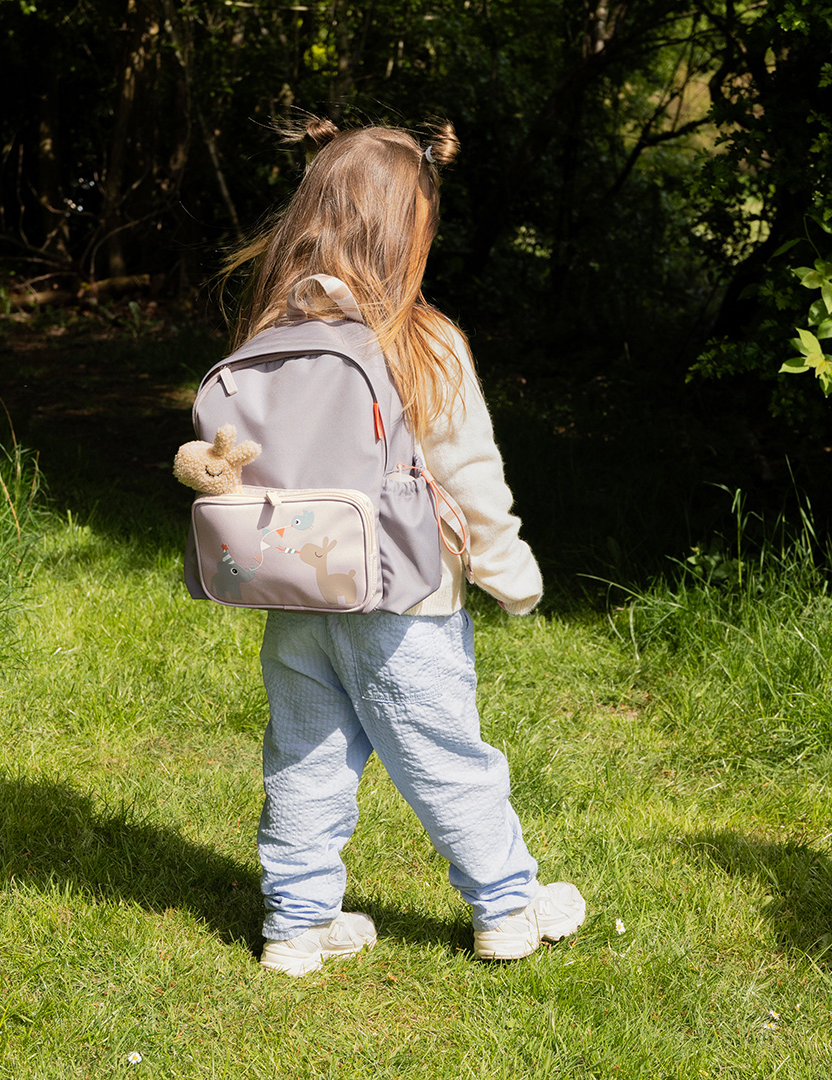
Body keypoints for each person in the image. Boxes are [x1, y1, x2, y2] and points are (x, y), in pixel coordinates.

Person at [222, 117, 585, 976]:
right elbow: (472, 479)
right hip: (404, 603)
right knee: (445, 757)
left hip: (299, 596)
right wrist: (512, 576)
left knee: (305, 762)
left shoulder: (268, 337)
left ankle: (296, 925)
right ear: (408, 235)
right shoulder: (425, 345)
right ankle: (505, 908)